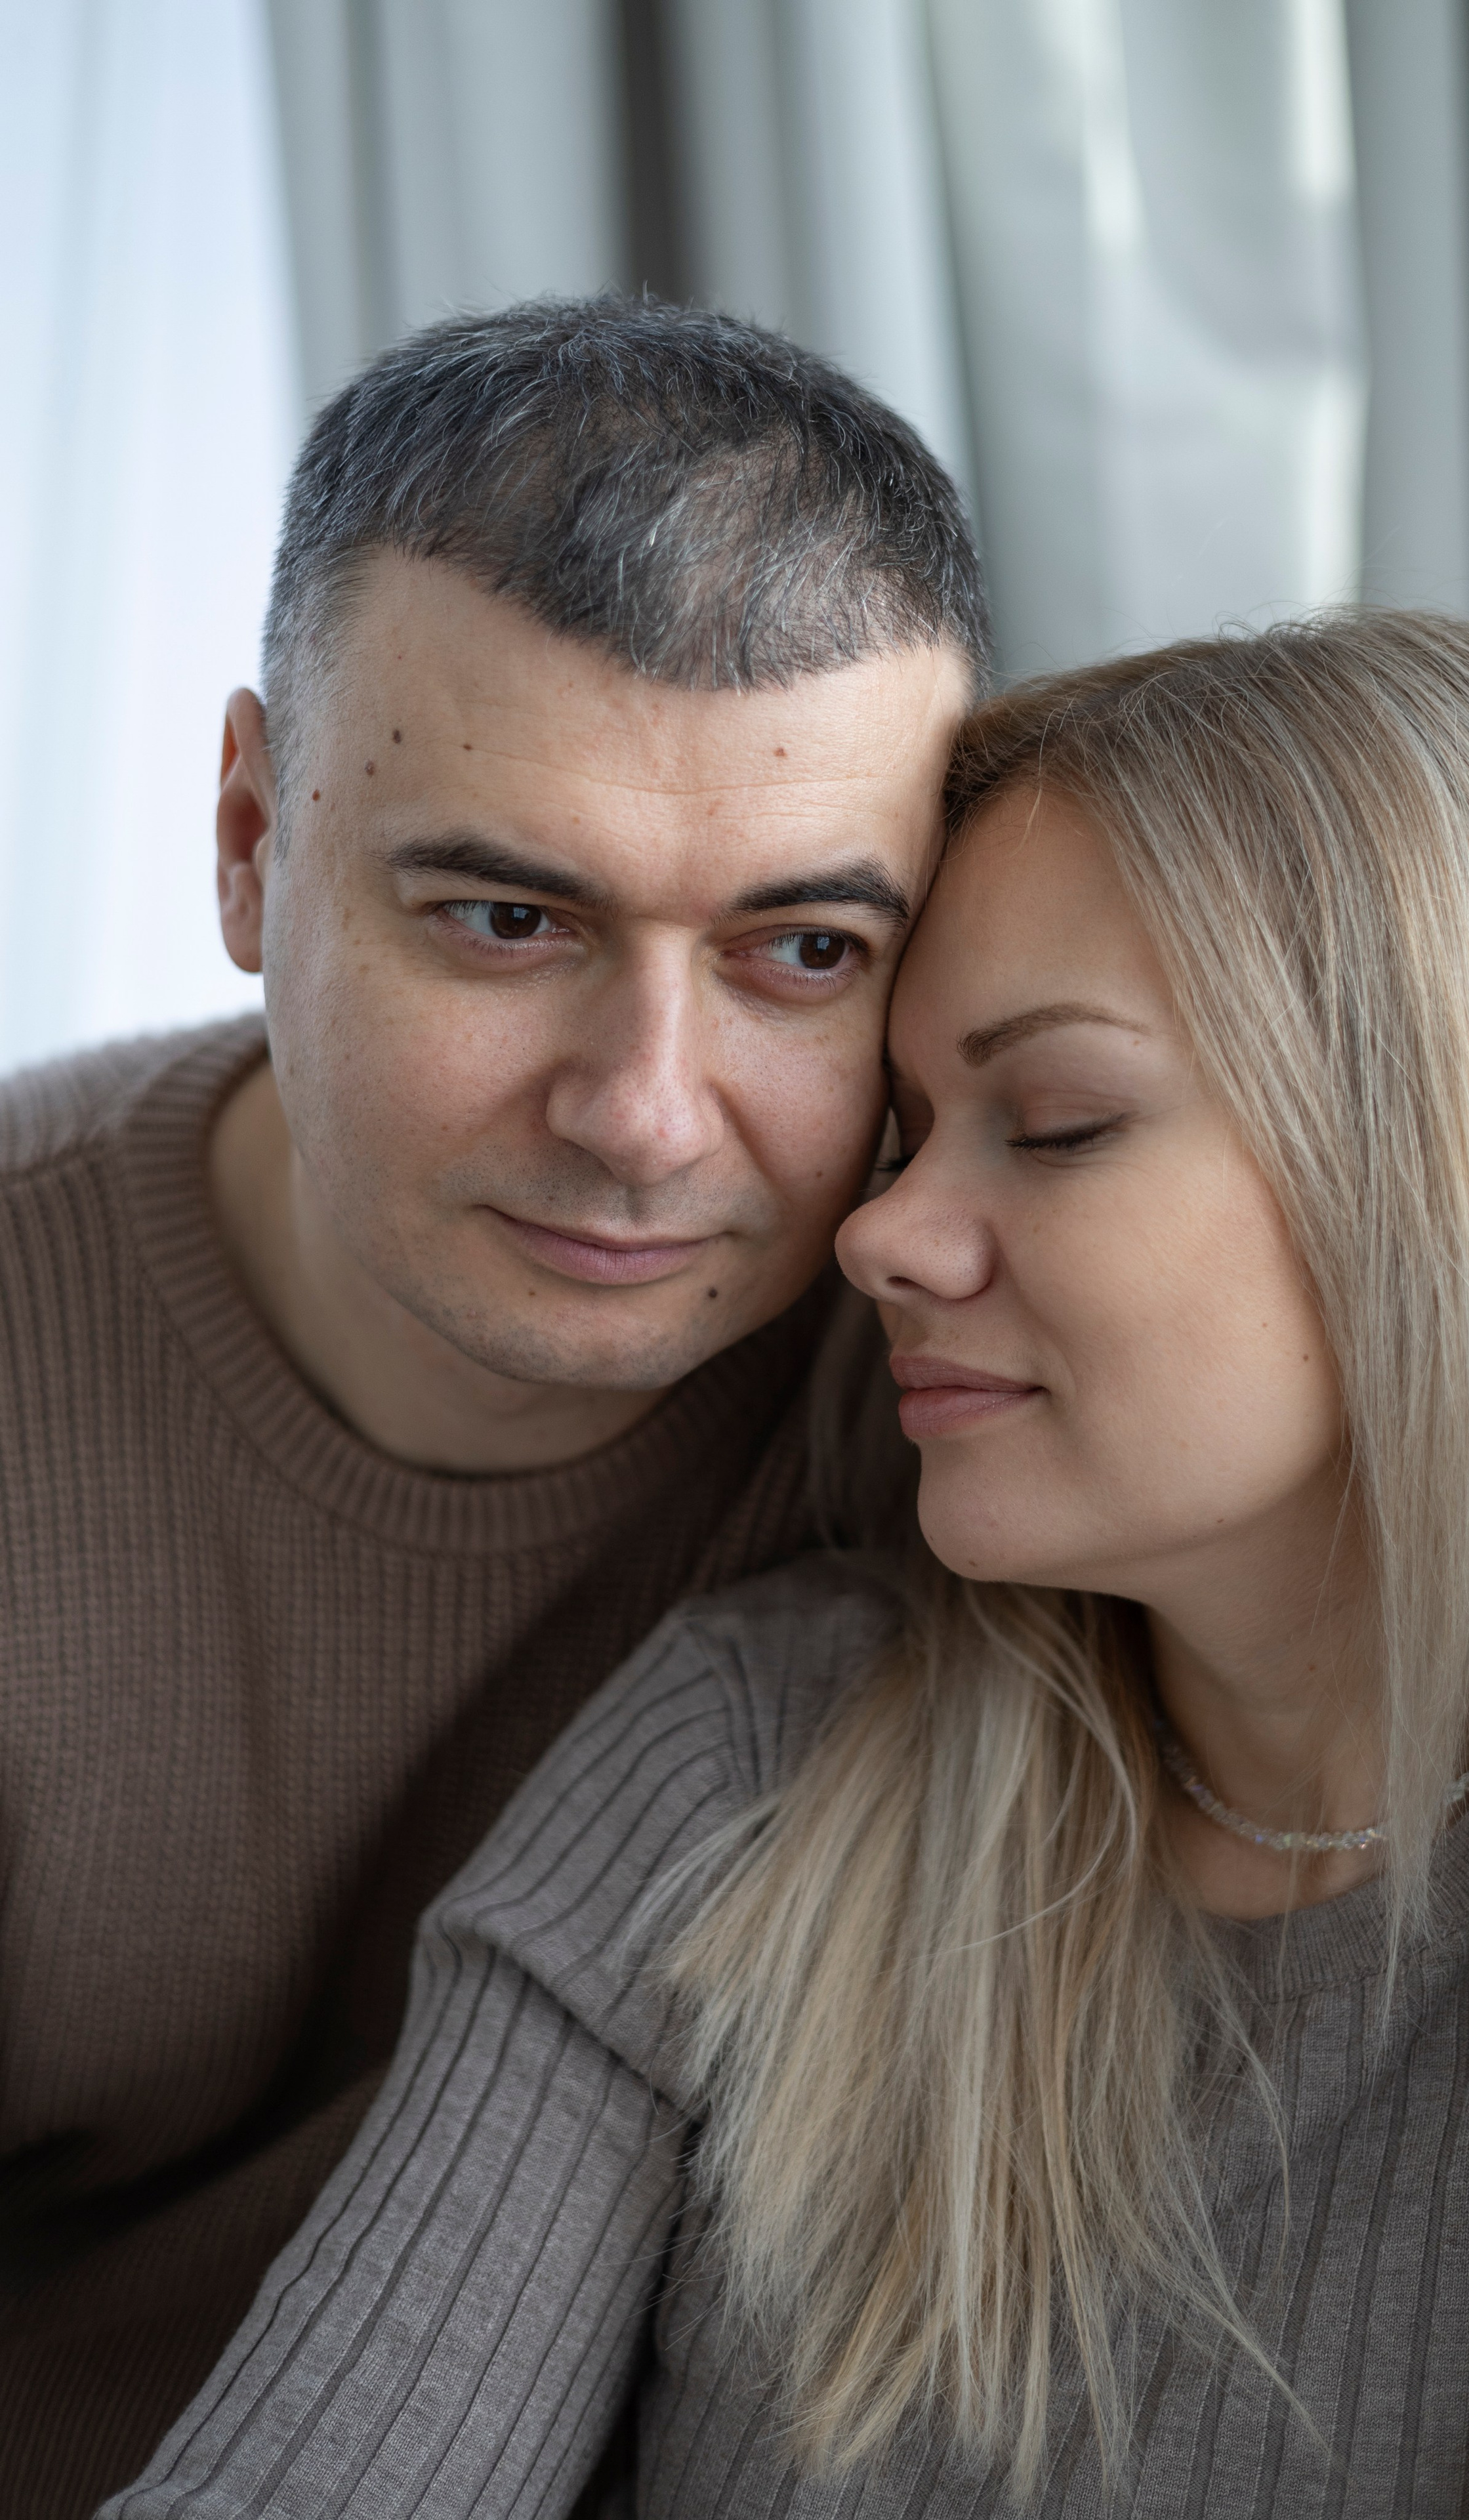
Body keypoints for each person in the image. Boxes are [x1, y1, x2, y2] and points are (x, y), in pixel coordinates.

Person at [103, 612, 1469, 2519]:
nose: (885, 1239)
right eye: (910, 1132)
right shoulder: (753, 1759)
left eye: (1061, 1123)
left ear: (1455, 1166)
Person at [0, 293, 981, 2518]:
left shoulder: (982, 1379)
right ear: (251, 842)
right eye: (510, 920)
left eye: (803, 953)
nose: (649, 1121)